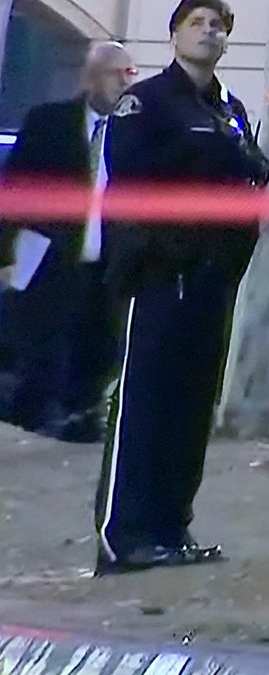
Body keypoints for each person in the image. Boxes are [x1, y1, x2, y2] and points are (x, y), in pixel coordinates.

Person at [94, 0, 269, 576]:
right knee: (144, 403)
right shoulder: (144, 103)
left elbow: (252, 170)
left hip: (211, 278)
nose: (209, 33)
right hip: (157, 275)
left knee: (191, 407)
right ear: (174, 34)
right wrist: (209, 153)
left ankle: (172, 526)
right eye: (197, 23)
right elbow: (134, 176)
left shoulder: (231, 109)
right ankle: (124, 535)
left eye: (219, 25)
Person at [0, 42, 136, 442]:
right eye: (117, 73)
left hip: (107, 262)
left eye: (131, 74)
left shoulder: (134, 135)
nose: (125, 83)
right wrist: (4, 251)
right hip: (48, 256)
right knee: (43, 348)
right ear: (91, 77)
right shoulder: (49, 123)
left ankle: (81, 420)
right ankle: (30, 421)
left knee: (99, 346)